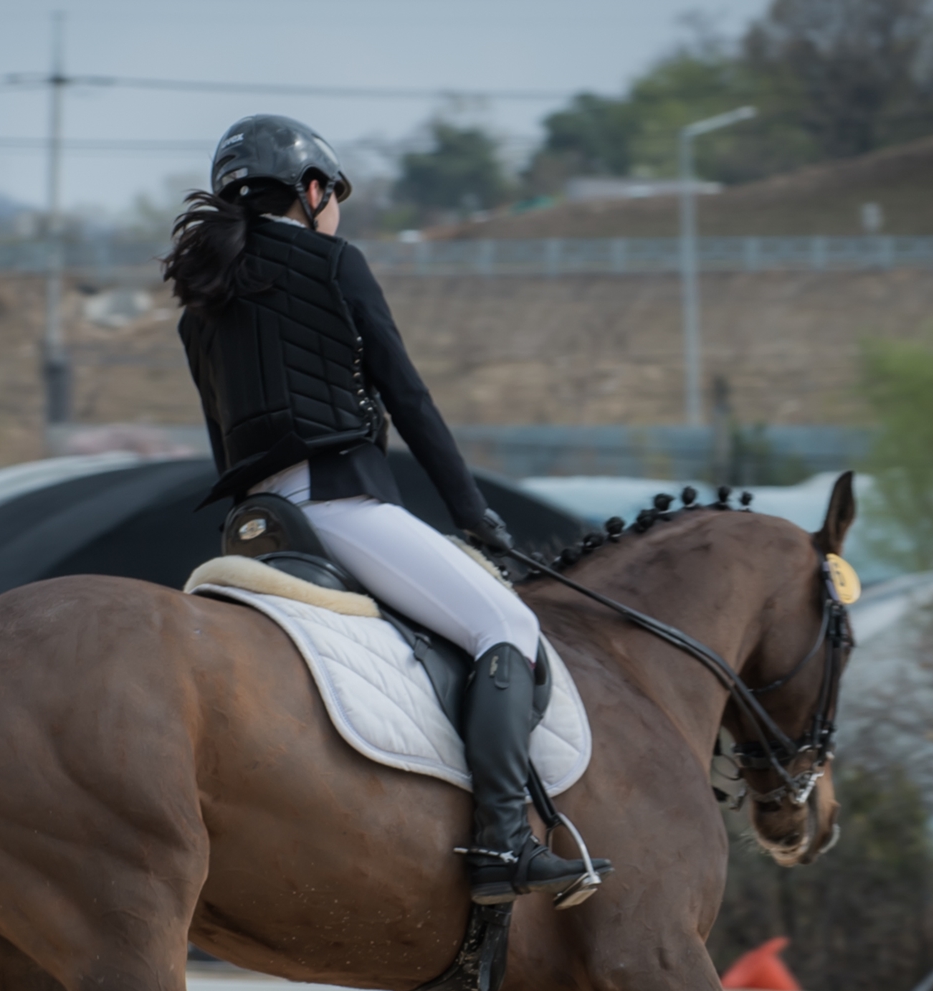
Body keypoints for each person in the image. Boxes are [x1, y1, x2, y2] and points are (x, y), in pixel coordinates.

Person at [164, 114, 611, 906]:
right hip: (339, 503)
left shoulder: (200, 307)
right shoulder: (334, 263)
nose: (336, 211)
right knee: (504, 626)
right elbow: (407, 398)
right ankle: (502, 844)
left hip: (261, 525)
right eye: (333, 195)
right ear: (310, 191)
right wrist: (475, 515)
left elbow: (220, 442)